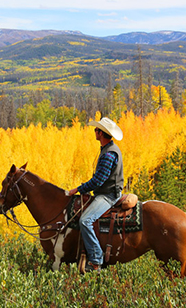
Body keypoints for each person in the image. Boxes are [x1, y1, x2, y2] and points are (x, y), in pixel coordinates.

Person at [65, 117, 124, 272]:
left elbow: (99, 180)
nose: (94, 131)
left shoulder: (108, 154)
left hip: (108, 195)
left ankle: (96, 259)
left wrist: (78, 189)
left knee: (85, 220)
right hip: (106, 192)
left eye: (96, 129)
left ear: (101, 133)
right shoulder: (108, 149)